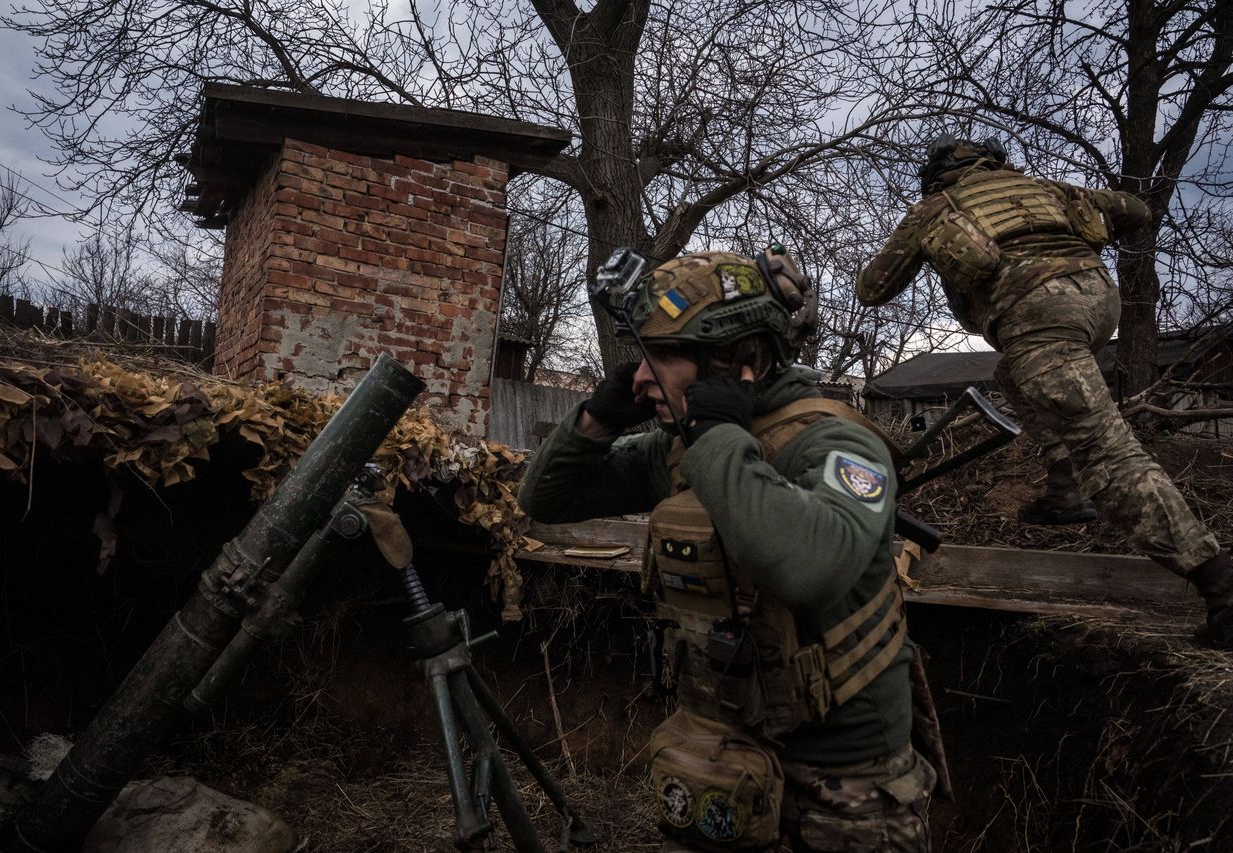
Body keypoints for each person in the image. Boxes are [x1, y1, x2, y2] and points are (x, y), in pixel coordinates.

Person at [520, 248, 936, 852]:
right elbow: (548, 499)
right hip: (721, 757)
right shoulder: (682, 450)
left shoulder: (836, 445)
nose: (641, 378)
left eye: (662, 356)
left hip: (844, 787)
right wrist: (594, 422)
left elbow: (810, 568)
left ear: (744, 360)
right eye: (642, 356)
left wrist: (716, 435)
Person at [856, 133, 1232, 647]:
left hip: (1037, 312)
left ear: (937, 174)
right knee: (1012, 373)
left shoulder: (935, 208)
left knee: (1107, 451)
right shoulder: (1046, 189)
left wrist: (936, 242)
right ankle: (1064, 488)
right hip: (1098, 300)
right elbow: (1136, 210)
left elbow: (872, 290)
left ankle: (1220, 587)